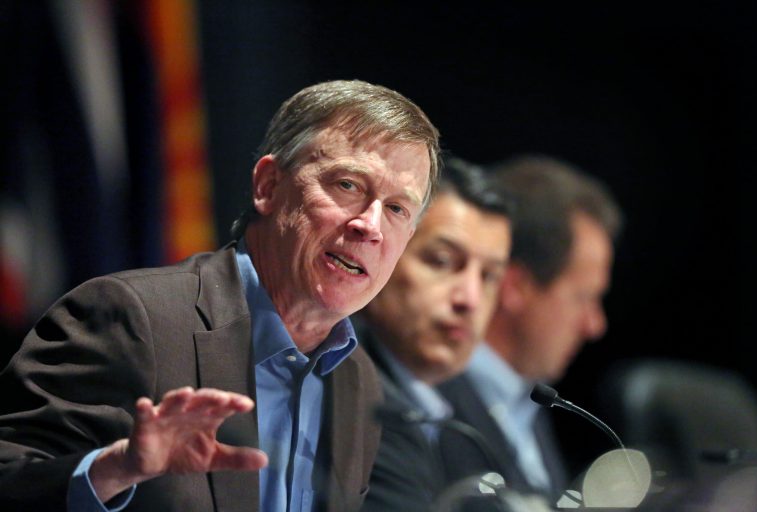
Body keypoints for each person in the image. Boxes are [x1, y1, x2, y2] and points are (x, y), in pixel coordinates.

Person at [0, 79, 441, 512]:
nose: (371, 226)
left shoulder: (359, 381)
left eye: (398, 209)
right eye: (348, 185)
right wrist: (115, 469)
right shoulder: (130, 317)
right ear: (267, 185)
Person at [438, 154, 624, 505]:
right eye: (583, 298)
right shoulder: (427, 400)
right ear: (515, 287)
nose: (595, 325)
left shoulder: (529, 400)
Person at [355, 157, 512, 511]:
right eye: (441, 261)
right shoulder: (342, 388)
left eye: (488, 277)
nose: (469, 299)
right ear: (385, 252)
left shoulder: (463, 403)